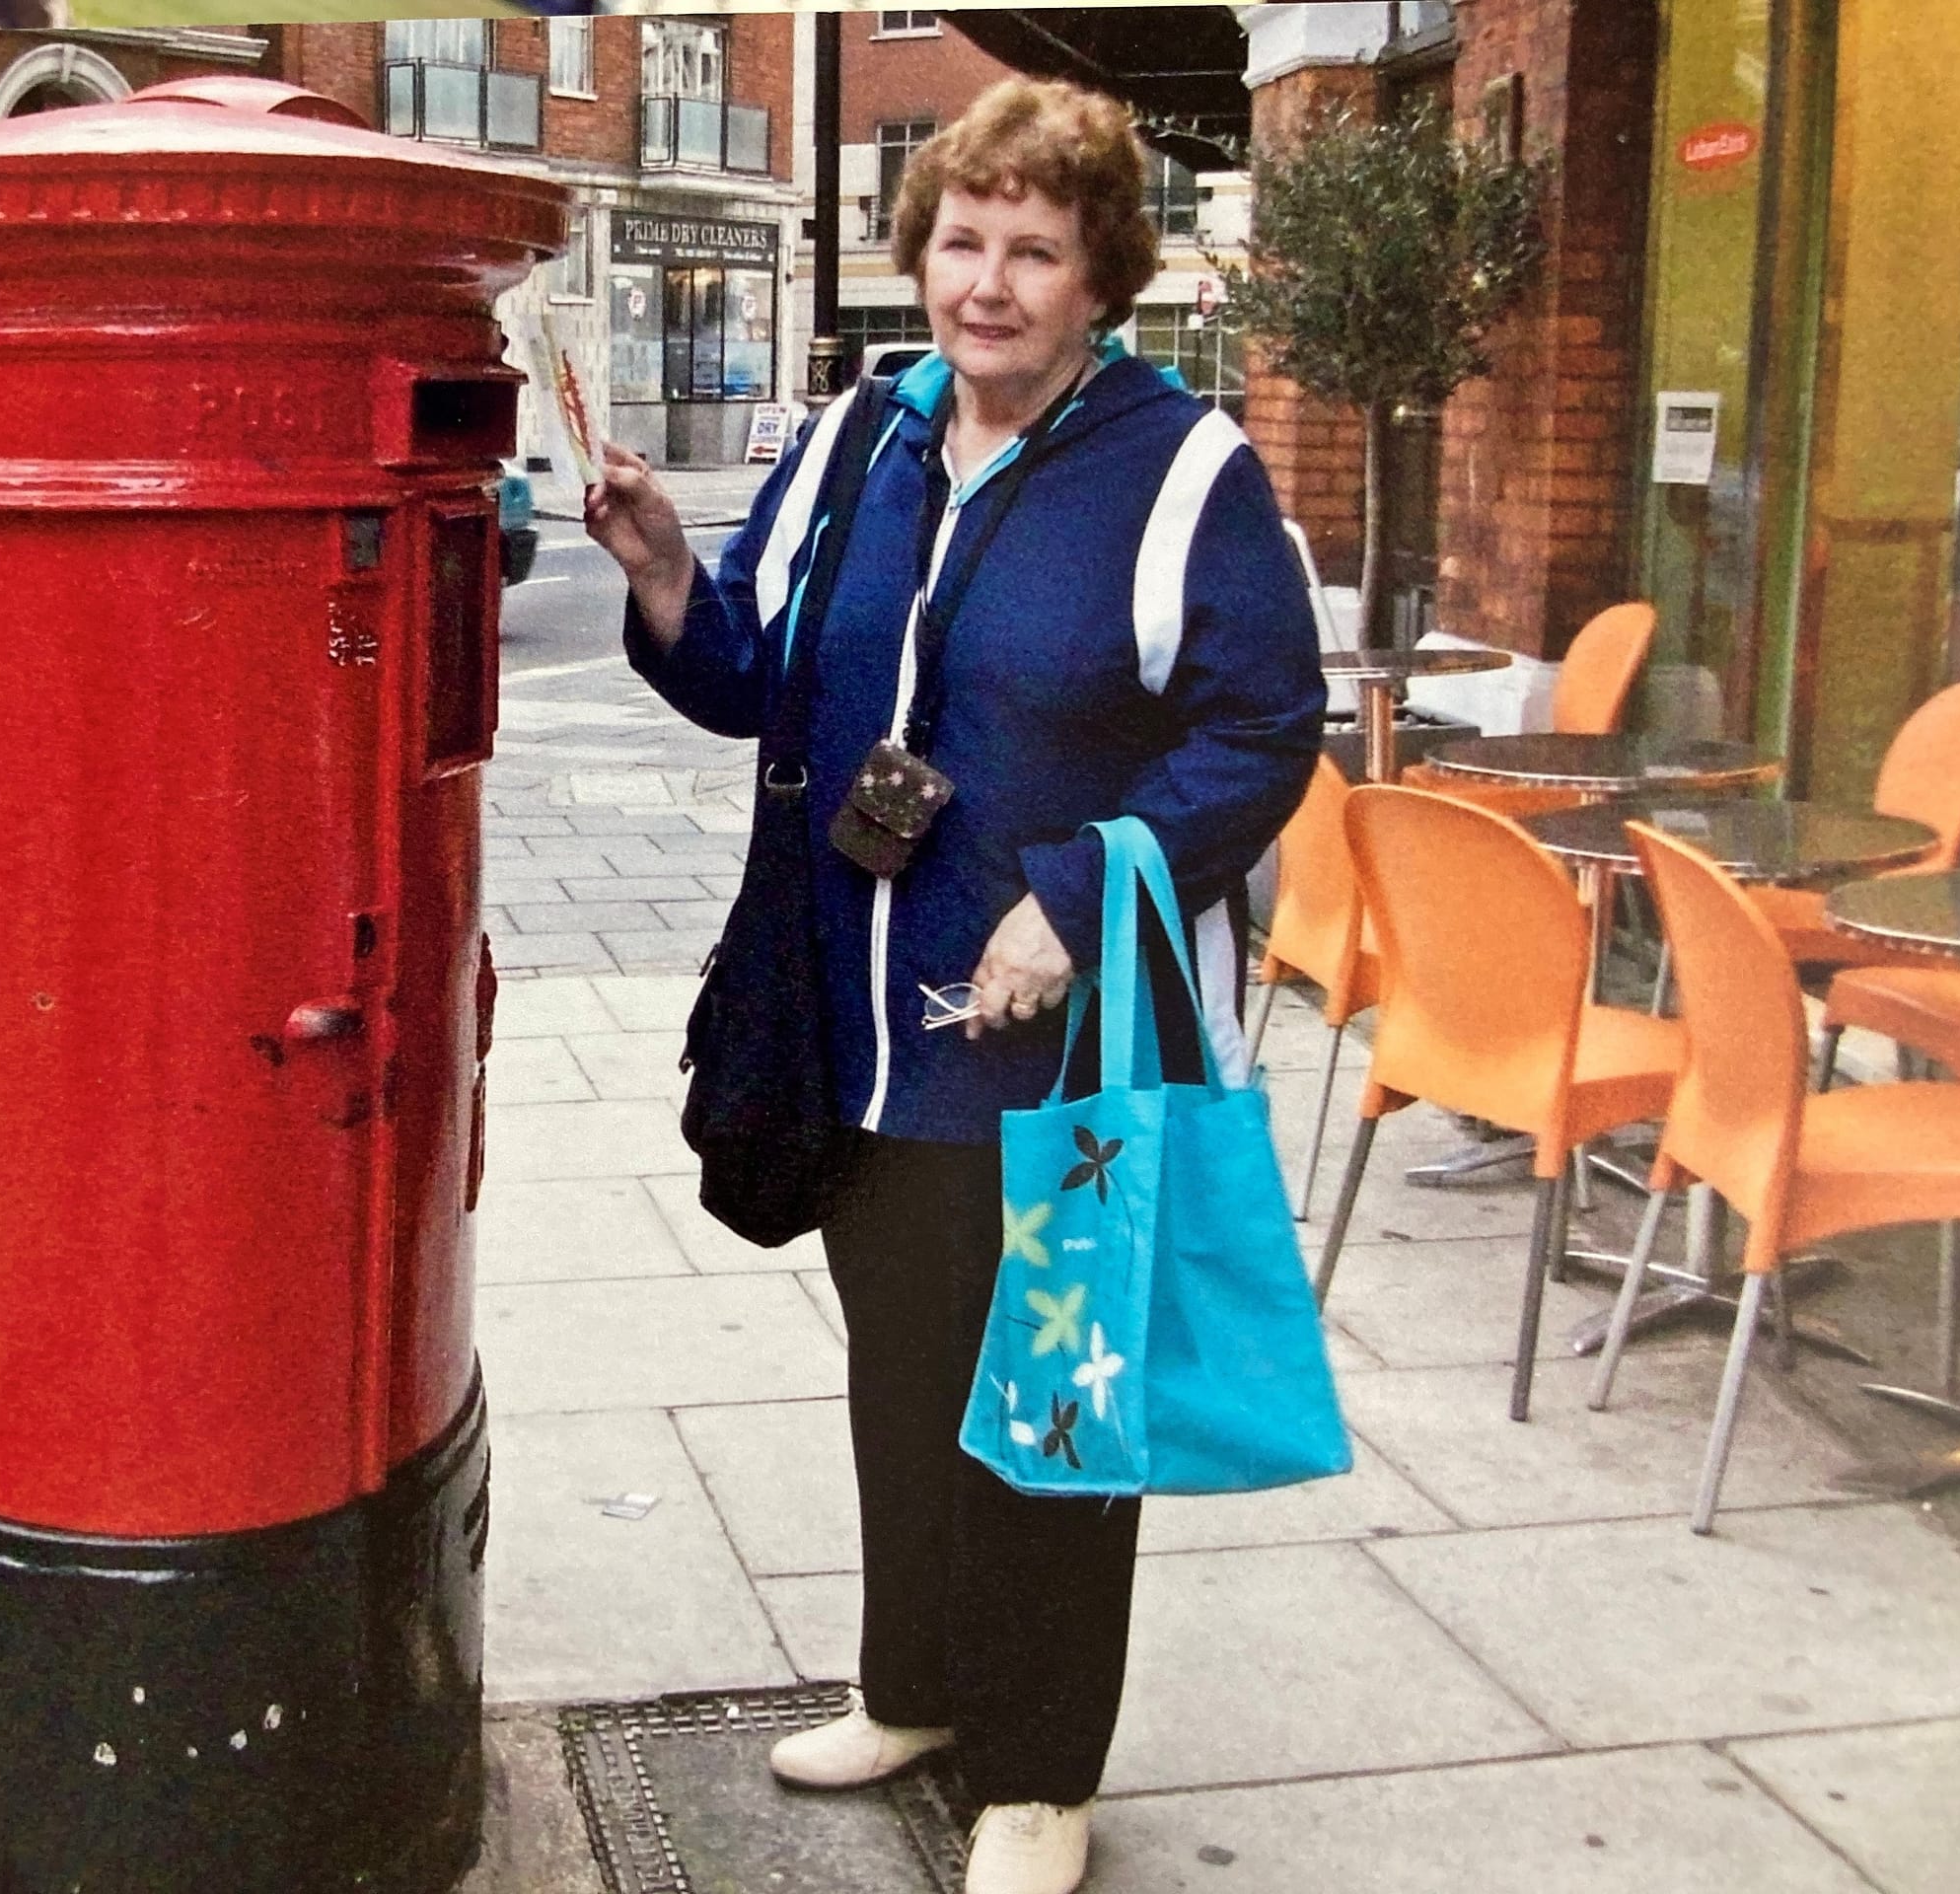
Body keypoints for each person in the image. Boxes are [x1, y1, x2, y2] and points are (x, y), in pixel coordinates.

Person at [585, 77, 1323, 1894]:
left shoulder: (1184, 471)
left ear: (1101, 280)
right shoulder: (865, 434)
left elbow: (1262, 731)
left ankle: (1041, 1775)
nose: (987, 284)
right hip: (866, 1035)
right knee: (905, 1380)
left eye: (1035, 252)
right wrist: (668, 573)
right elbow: (757, 675)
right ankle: (913, 1689)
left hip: (1067, 1059)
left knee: (1057, 1409)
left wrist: (1074, 900)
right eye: (963, 242)